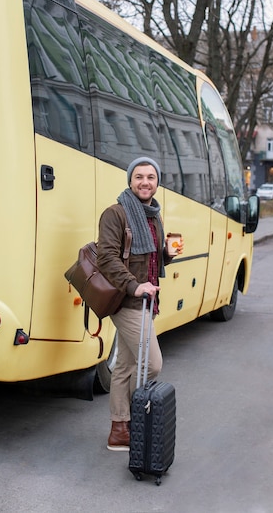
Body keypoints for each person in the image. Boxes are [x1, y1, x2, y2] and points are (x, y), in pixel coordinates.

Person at [96, 157, 183, 451]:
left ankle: (119, 431)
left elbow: (152, 256)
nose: (145, 182)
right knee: (152, 364)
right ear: (130, 181)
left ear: (157, 182)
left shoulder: (153, 215)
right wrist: (134, 286)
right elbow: (106, 258)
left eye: (150, 177)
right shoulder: (115, 214)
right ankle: (134, 419)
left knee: (124, 366)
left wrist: (168, 253)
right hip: (126, 300)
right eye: (139, 177)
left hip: (147, 300)